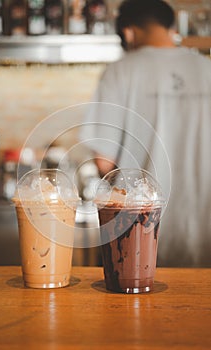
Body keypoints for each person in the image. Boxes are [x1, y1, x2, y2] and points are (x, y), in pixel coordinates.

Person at [79, 0, 211, 267]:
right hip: (204, 231)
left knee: (138, 304)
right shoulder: (206, 69)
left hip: (142, 235)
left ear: (128, 33)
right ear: (170, 26)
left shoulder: (121, 70)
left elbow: (104, 161)